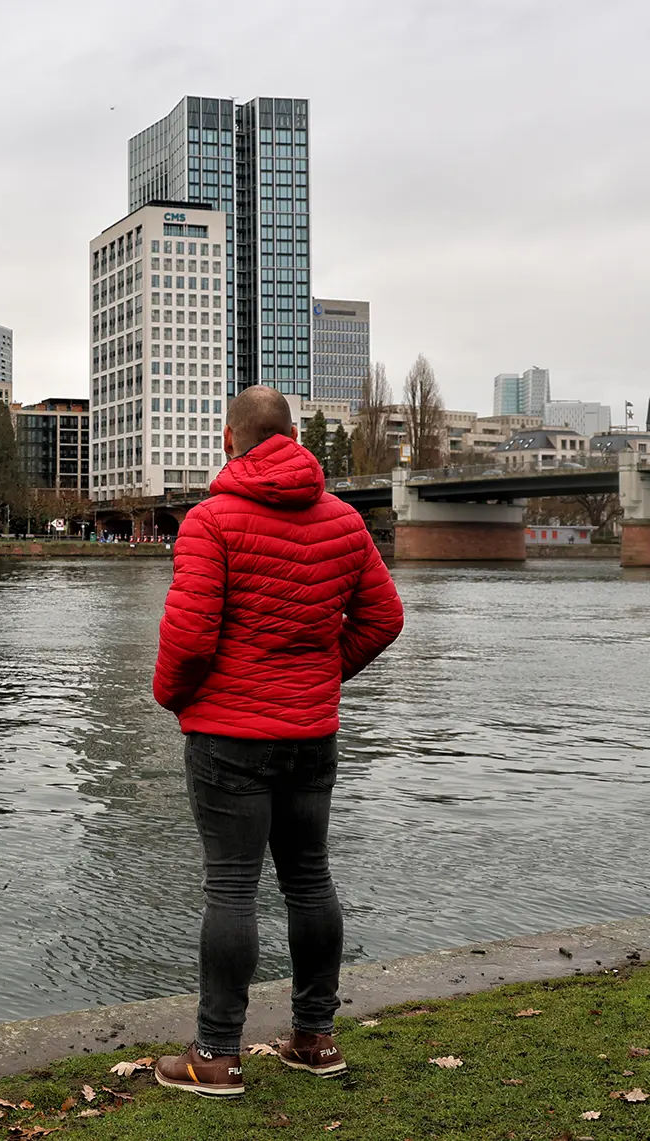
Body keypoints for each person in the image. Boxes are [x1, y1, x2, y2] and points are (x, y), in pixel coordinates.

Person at [151, 386, 404, 1099]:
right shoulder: (345, 522)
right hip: (310, 733)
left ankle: (217, 1055)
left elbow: (191, 637)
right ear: (293, 436)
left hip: (228, 734)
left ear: (228, 440)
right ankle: (316, 1038)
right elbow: (384, 616)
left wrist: (174, 695)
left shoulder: (210, 522)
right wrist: (324, 672)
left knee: (231, 887)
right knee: (309, 880)